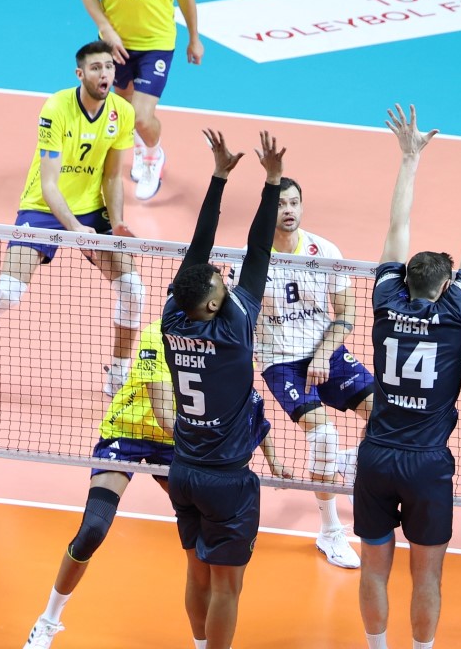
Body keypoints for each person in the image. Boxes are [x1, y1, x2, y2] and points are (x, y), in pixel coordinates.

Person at [22, 319, 291, 649]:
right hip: (129, 433)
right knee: (93, 528)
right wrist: (212, 446)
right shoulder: (157, 335)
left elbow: (244, 408)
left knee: (204, 544)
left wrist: (273, 459)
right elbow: (164, 412)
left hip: (177, 445)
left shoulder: (226, 341)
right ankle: (48, 620)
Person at [353, 105, 461, 649]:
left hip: (376, 455)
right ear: (445, 286)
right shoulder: (455, 310)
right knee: (427, 577)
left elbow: (396, 227)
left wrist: (409, 157)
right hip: (426, 464)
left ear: (405, 282)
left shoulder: (384, 299)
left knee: (373, 569)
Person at [0, 40, 143, 398]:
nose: (104, 73)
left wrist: (117, 221)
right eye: (96, 68)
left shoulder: (122, 111)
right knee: (8, 291)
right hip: (43, 207)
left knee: (133, 289)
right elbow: (49, 183)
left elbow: (113, 176)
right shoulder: (56, 107)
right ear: (80, 74)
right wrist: (74, 229)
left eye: (109, 67)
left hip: (92, 208)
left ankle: (118, 373)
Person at [161, 128, 283, 649]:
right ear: (212, 304)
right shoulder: (234, 328)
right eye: (219, 284)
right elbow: (259, 251)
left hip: (184, 471)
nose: (222, 278)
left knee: (196, 572)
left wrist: (218, 177)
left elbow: (199, 251)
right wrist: (272, 183)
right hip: (225, 482)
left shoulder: (172, 317)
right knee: (227, 588)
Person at [235, 175, 373, 570]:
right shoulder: (249, 259)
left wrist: (323, 355)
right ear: (268, 210)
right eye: (280, 204)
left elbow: (346, 313)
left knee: (384, 415)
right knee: (324, 435)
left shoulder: (324, 250)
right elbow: (238, 320)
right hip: (279, 359)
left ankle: (346, 462)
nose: (289, 210)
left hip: (325, 350)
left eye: (294, 202)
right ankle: (330, 532)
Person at [79, 0, 203, 201]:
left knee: (141, 117)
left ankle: (153, 155)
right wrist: (105, 29)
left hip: (157, 41)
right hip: (115, 41)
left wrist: (194, 37)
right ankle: (139, 149)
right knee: (125, 106)